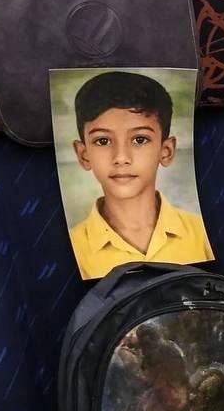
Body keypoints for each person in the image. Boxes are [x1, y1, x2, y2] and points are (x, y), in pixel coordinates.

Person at [67, 71, 214, 279]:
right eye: (103, 141)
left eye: (139, 140)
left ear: (166, 151)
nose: (121, 158)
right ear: (83, 155)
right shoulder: (73, 246)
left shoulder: (200, 233)